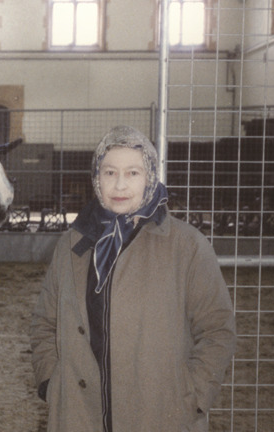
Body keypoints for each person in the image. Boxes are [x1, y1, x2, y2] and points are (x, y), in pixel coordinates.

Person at [30, 125, 236, 432]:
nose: (120, 185)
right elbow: (45, 322)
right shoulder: (73, 243)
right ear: (96, 178)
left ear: (150, 176)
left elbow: (217, 329)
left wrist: (192, 397)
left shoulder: (188, 246)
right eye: (109, 172)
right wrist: (52, 382)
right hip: (78, 415)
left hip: (161, 416)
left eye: (133, 173)